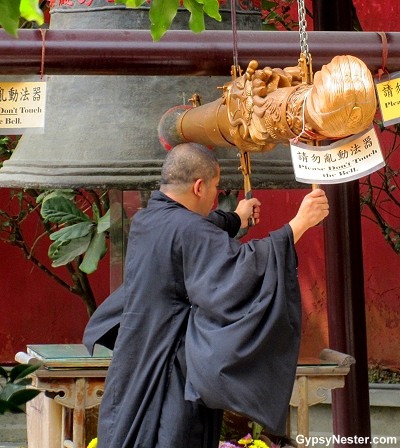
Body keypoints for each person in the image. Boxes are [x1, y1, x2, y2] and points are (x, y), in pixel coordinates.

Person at [83, 142, 329, 448]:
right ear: (199, 187)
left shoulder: (148, 219)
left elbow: (192, 231)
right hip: (169, 370)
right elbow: (240, 266)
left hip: (135, 359)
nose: (216, 197)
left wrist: (235, 218)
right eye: (214, 187)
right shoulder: (189, 230)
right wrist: (299, 223)